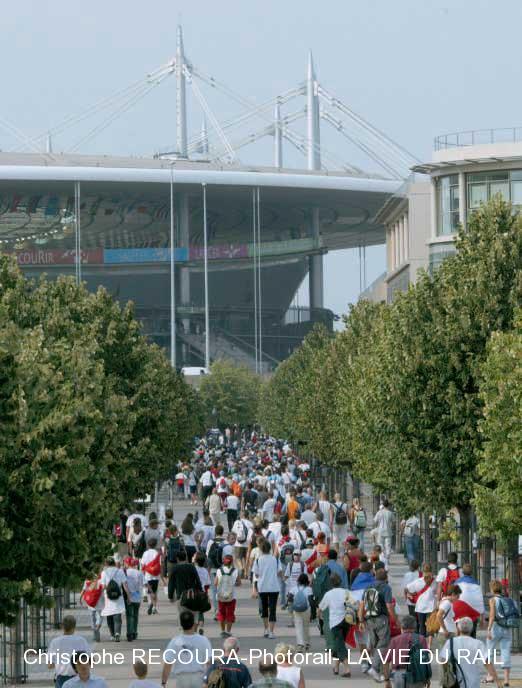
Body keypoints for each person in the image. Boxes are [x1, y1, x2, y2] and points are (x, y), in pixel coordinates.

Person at [440, 617, 502, 688]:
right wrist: (498, 682)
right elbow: (487, 663)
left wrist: (447, 673)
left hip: (455, 682)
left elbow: (443, 660)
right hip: (473, 682)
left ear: (458, 628)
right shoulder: (478, 643)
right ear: (472, 629)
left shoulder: (451, 642)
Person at [359, 568, 395, 682]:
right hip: (382, 619)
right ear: (386, 578)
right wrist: (395, 620)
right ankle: (374, 668)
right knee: (383, 644)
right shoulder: (386, 587)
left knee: (375, 645)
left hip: (369, 620)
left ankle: (377, 670)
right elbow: (389, 607)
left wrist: (361, 621)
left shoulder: (368, 588)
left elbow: (361, 606)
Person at [161, 610, 212, 688]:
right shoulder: (203, 640)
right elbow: (209, 663)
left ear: (181, 624)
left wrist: (164, 682)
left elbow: (168, 663)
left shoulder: (175, 641)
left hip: (181, 678)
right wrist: (207, 680)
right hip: (198, 677)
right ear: (194, 624)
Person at [382, 614, 430, 688]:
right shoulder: (421, 639)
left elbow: (385, 662)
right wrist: (427, 678)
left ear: (402, 627)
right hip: (417, 674)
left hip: (399, 675)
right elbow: (425, 660)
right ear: (415, 627)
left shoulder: (395, 640)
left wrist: (387, 680)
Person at [318, 573, 351, 677]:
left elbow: (320, 608)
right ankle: (336, 667)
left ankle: (347, 669)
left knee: (340, 645)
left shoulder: (328, 594)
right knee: (339, 643)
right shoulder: (346, 592)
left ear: (330, 583)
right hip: (346, 621)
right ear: (340, 581)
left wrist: (320, 616)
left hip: (335, 623)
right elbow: (354, 604)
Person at [485, 580, 514, 687]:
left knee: (489, 651)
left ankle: (490, 676)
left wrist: (488, 629)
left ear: (492, 589)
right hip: (506, 628)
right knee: (506, 652)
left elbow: (492, 615)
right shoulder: (506, 599)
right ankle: (506, 679)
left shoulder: (493, 600)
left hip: (496, 627)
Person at [47, 616, 90, 688]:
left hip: (61, 679)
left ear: (62, 626)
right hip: (78, 677)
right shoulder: (81, 641)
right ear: (74, 627)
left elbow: (50, 665)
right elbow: (90, 660)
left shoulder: (55, 642)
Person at [253, 538, 282, 639]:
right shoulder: (275, 559)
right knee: (272, 609)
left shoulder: (258, 560)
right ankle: (271, 631)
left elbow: (256, 574)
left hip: (262, 587)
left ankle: (265, 629)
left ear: (261, 549)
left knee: (264, 609)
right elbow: (279, 572)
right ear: (270, 548)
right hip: (274, 586)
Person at [100, 557, 129, 642]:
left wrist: (99, 596)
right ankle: (117, 633)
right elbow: (125, 585)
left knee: (109, 615)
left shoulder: (104, 573)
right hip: (118, 596)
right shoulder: (120, 571)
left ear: (106, 564)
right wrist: (129, 596)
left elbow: (103, 586)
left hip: (108, 597)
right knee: (117, 616)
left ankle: (112, 635)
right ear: (114, 563)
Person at [168, 549, 202, 618]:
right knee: (192, 616)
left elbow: (171, 583)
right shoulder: (191, 567)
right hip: (192, 594)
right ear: (186, 558)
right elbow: (197, 580)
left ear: (177, 559)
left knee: (183, 617)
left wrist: (170, 596)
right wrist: (200, 591)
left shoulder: (175, 568)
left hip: (180, 595)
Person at [406, 565, 436, 641]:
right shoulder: (435, 582)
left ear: (423, 572)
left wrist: (410, 595)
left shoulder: (418, 581)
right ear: (431, 571)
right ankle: (429, 645)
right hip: (431, 607)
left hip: (420, 607)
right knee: (430, 626)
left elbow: (407, 588)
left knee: (421, 625)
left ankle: (422, 643)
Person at [454, 563, 485, 636]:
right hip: (472, 613)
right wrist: (482, 618)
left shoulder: (457, 583)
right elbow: (480, 601)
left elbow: (453, 598)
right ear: (471, 572)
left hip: (460, 612)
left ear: (462, 572)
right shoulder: (477, 584)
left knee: (459, 634)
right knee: (472, 634)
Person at [215, 553, 240, 638]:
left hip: (220, 596)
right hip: (231, 596)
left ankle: (222, 631)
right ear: (232, 562)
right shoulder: (235, 571)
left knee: (221, 613)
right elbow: (239, 583)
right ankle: (228, 631)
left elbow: (215, 583)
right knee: (230, 613)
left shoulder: (219, 570)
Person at [80, 572, 104, 642]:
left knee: (92, 617)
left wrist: (80, 598)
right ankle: (97, 627)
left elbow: (84, 590)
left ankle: (94, 633)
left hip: (91, 602)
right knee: (100, 616)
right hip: (100, 602)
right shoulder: (101, 580)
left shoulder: (87, 580)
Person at [124, 557, 144, 641]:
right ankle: (135, 632)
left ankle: (129, 633)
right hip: (137, 597)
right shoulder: (139, 573)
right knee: (135, 616)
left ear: (128, 564)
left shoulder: (125, 573)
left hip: (128, 597)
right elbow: (141, 585)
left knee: (129, 616)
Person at [291, 573, 312, 651]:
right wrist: (313, 613)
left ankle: (300, 644)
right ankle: (307, 643)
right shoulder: (309, 589)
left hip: (296, 610)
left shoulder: (294, 589)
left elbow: (289, 598)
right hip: (306, 610)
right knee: (306, 626)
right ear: (307, 581)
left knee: (298, 626)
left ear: (298, 581)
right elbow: (311, 601)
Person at [141, 538, 162, 615]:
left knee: (150, 591)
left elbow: (143, 565)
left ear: (148, 545)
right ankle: (154, 607)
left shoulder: (145, 553)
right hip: (155, 575)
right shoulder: (157, 553)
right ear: (155, 545)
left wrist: (142, 574)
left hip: (147, 575)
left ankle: (150, 603)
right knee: (155, 591)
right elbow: (160, 564)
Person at [373, 499, 394, 568]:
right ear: (388, 505)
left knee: (381, 545)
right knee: (388, 546)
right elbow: (393, 521)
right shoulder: (390, 513)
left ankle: (382, 558)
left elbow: (375, 521)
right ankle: (387, 559)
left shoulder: (379, 512)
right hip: (388, 531)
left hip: (380, 531)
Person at [194, 551, 211, 634]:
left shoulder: (193, 569)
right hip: (202, 592)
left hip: (194, 592)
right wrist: (206, 594)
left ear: (196, 560)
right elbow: (208, 584)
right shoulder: (205, 570)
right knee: (200, 612)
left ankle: (195, 629)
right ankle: (201, 626)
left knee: (194, 611)